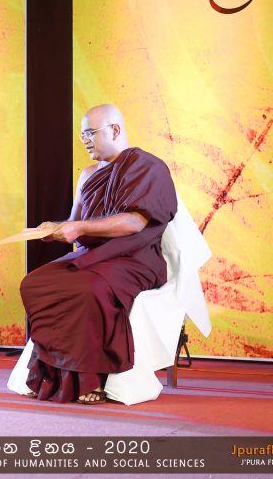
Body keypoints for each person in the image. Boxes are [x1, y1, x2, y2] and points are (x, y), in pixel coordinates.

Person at [19, 103, 177, 404]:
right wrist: (54, 229)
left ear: (114, 129)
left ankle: (89, 378)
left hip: (134, 258)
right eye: (82, 135)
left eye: (90, 133)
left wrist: (78, 227)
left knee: (88, 288)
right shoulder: (88, 174)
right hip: (90, 256)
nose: (85, 141)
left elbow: (135, 222)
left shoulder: (149, 167)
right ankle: (55, 373)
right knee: (35, 283)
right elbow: (74, 221)